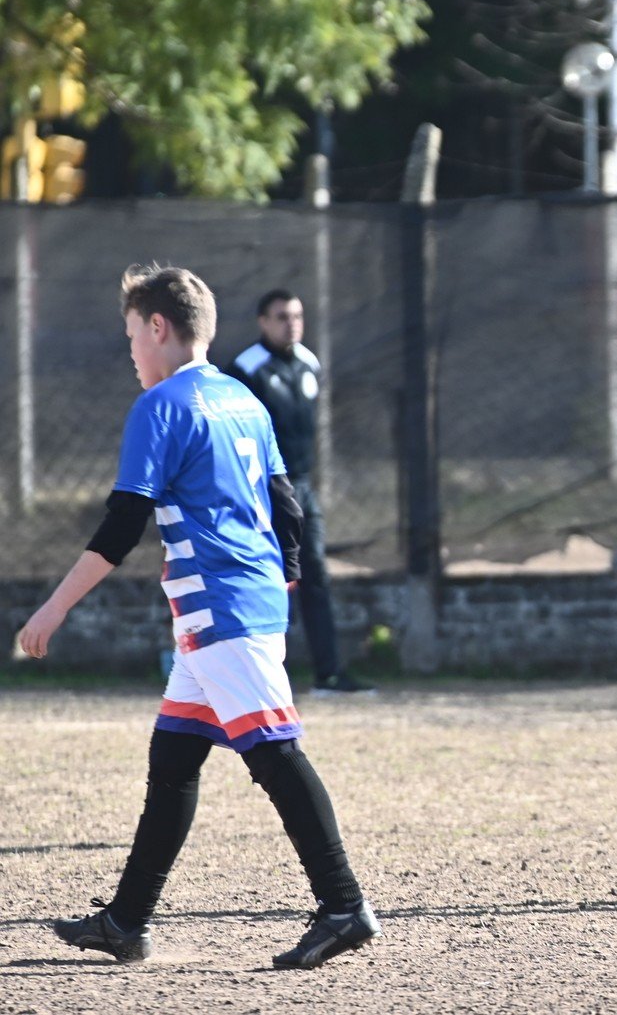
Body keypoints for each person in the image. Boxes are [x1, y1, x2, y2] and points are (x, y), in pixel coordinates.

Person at [18, 265, 379, 969]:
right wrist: (282, 582)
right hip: (234, 606)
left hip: (221, 609)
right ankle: (125, 922)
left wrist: (52, 608)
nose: (129, 352)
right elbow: (289, 504)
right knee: (174, 760)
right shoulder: (244, 399)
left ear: (158, 328)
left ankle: (343, 904)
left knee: (275, 752)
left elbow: (124, 522)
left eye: (130, 335)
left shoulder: (161, 405)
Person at [227, 289, 373, 695]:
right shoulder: (245, 369)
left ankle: (328, 673)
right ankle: (262, 678)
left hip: (304, 488)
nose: (291, 323)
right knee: (268, 580)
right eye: (281, 317)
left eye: (296, 316)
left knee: (315, 575)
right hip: (263, 489)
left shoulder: (309, 363)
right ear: (263, 321)